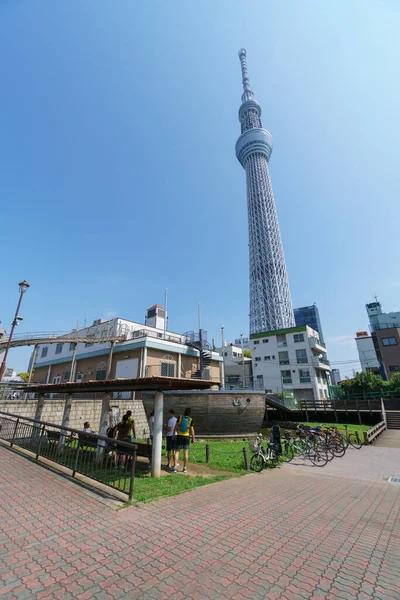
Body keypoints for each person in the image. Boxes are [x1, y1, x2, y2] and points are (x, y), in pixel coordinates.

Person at [171, 408, 195, 473]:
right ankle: (184, 468)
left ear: (184, 412)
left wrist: (173, 434)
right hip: (186, 437)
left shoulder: (180, 417)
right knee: (185, 453)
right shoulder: (190, 419)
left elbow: (176, 426)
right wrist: (193, 438)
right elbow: (192, 430)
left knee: (177, 451)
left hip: (179, 436)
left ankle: (175, 467)